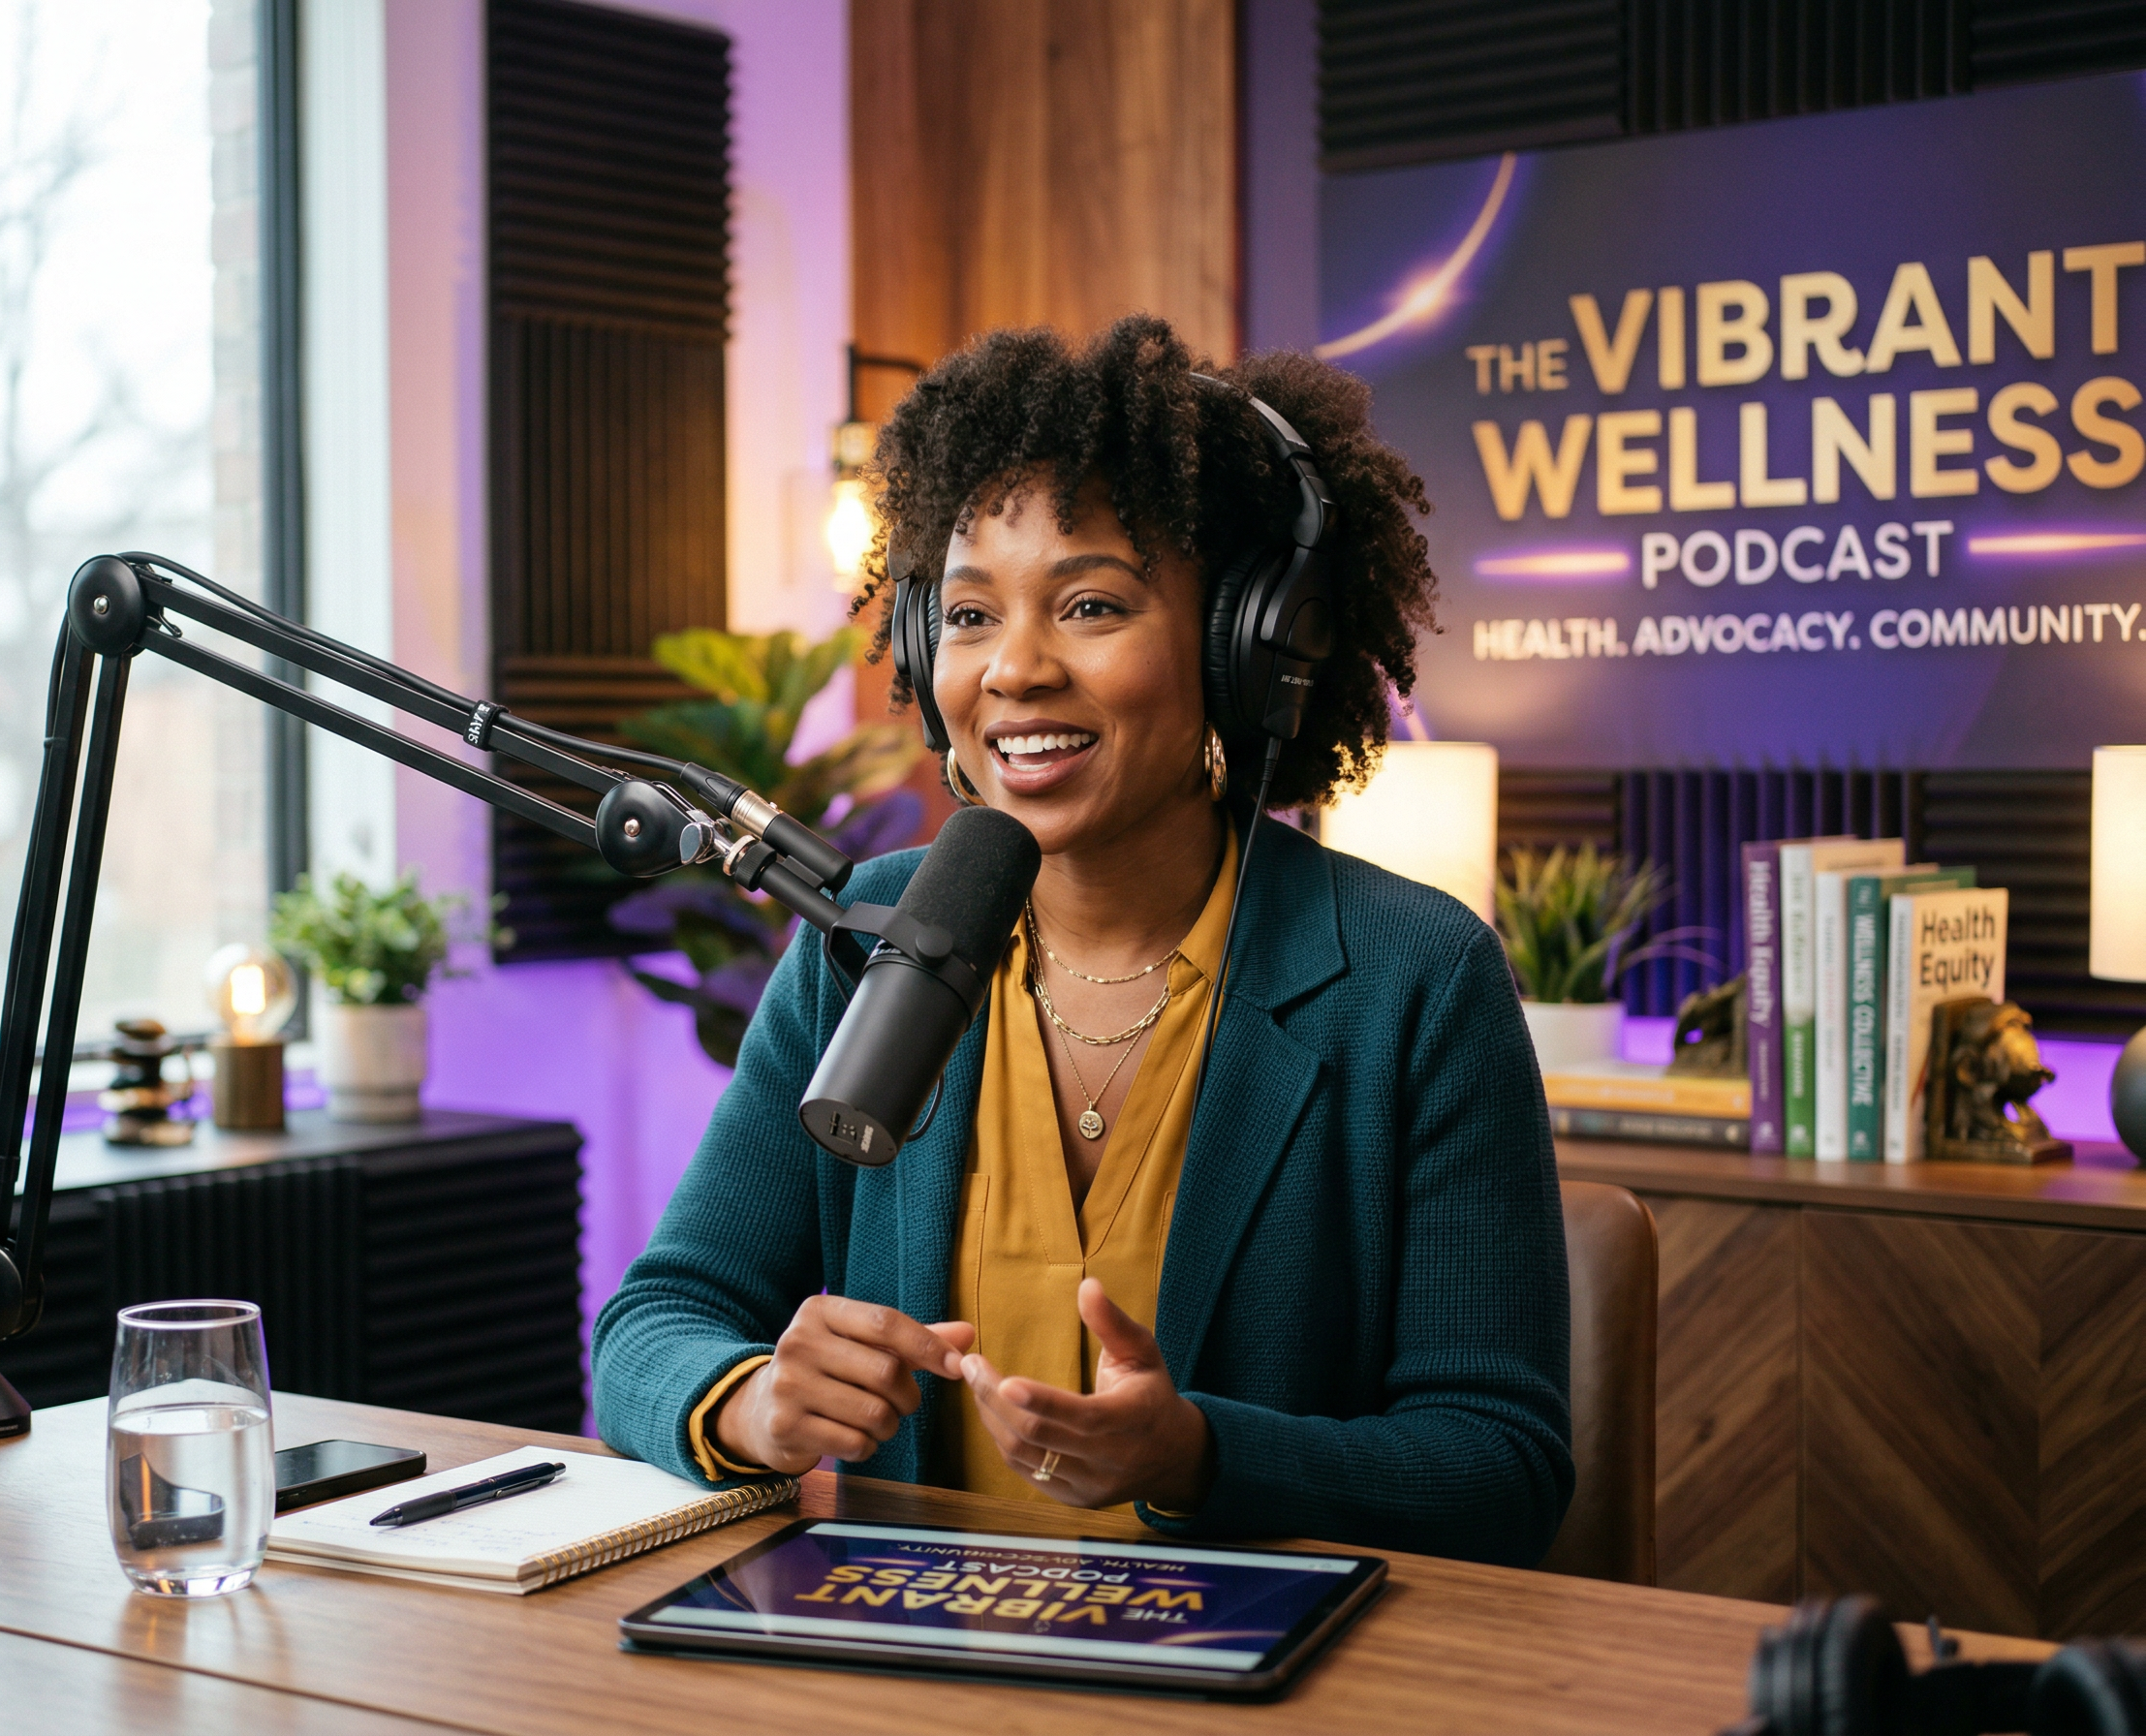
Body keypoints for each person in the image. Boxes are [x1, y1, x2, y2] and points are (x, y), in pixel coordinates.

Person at [590, 315, 1571, 1565]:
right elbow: (656, 1319)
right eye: (968, 616)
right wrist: (747, 1400)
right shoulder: (865, 939)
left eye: (1092, 604)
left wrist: (1201, 1457)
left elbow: (1502, 1467)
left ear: (1245, 646)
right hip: (906, 1661)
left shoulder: (1414, 979)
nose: (1015, 670)